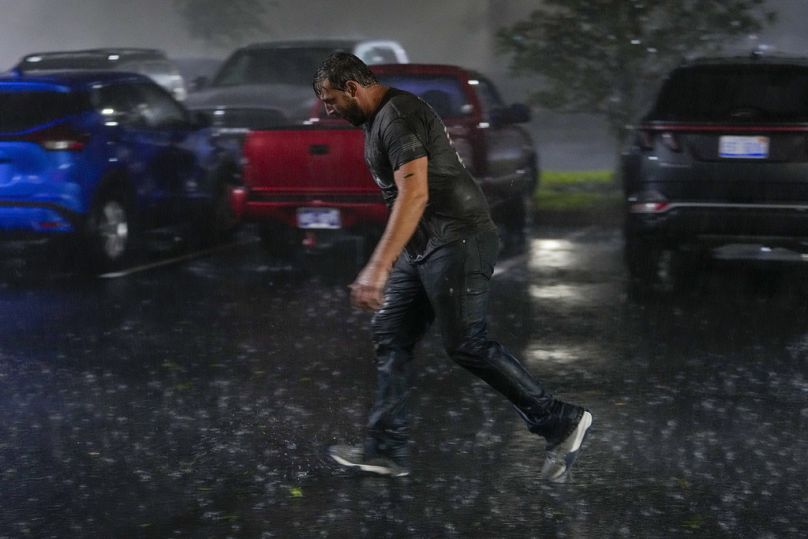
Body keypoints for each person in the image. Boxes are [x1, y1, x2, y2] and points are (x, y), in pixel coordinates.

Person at [312, 52, 591, 481]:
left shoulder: (398, 116)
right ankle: (384, 450)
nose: (328, 111)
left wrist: (377, 266)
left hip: (458, 238)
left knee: (467, 344)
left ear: (352, 87)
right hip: (425, 244)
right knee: (392, 333)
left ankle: (560, 421)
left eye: (331, 101)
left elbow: (414, 195)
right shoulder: (379, 119)